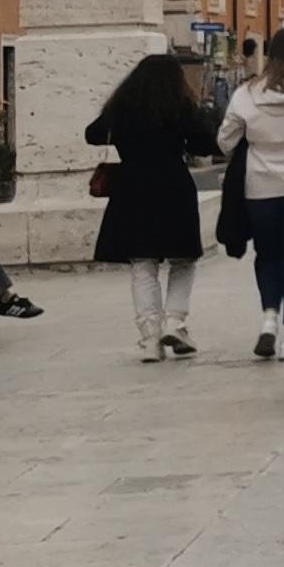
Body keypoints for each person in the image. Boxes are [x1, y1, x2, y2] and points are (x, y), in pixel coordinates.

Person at [89, 51, 218, 362]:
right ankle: (175, 321)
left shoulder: (122, 106)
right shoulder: (181, 106)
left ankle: (149, 336)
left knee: (143, 264)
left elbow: (92, 134)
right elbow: (205, 143)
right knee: (183, 259)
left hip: (132, 187)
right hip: (173, 184)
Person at [217, 27, 284, 382]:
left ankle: (268, 318)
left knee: (268, 255)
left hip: (258, 187)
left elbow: (225, 140)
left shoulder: (247, 93)